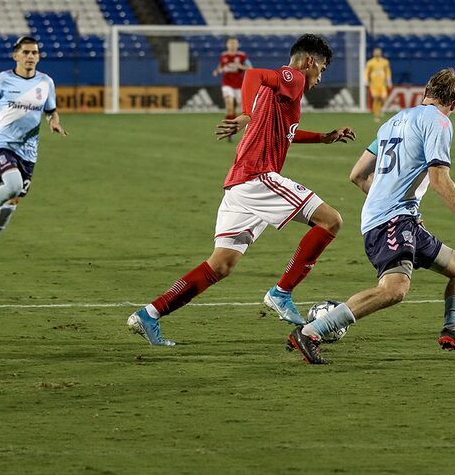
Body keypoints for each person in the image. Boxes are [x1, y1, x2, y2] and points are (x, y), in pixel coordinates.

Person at [127, 34, 355, 346]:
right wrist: (246, 113)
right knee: (331, 220)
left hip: (239, 185)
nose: (320, 76)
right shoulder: (294, 77)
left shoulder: (283, 93)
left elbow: (287, 133)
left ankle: (150, 313)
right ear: (309, 62)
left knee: (220, 265)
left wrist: (324, 138)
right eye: (323, 69)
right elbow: (252, 74)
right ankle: (282, 292)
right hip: (258, 176)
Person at [287, 68, 455, 365]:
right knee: (394, 290)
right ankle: (311, 331)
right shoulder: (439, 122)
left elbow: (357, 175)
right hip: (394, 219)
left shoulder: (394, 120)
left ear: (425, 93)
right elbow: (439, 180)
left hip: (398, 218)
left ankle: (454, 329)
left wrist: (385, 199)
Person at [0, 36, 67, 263]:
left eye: (35, 53)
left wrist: (53, 121)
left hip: (29, 152)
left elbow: (51, 110)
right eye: (26, 52)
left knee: (13, 203)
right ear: (16, 55)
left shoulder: (46, 82)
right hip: (3, 144)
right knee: (12, 185)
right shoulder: (2, 80)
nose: (31, 57)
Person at [212, 36, 252, 140]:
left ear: (237, 45)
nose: (232, 45)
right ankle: (229, 132)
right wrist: (217, 71)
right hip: (227, 84)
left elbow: (250, 68)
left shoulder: (242, 56)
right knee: (229, 105)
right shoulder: (224, 55)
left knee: (235, 108)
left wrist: (241, 67)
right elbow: (221, 65)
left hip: (239, 85)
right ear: (227, 44)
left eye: (234, 43)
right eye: (230, 43)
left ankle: (232, 129)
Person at [365, 46, 392, 122]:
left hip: (382, 84)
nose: (377, 53)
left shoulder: (385, 62)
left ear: (380, 53)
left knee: (384, 98)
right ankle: (376, 115)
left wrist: (389, 80)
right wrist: (366, 80)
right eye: (376, 52)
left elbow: (387, 71)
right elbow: (367, 72)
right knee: (376, 98)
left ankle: (380, 109)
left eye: (378, 52)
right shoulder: (370, 62)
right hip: (373, 85)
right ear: (373, 53)